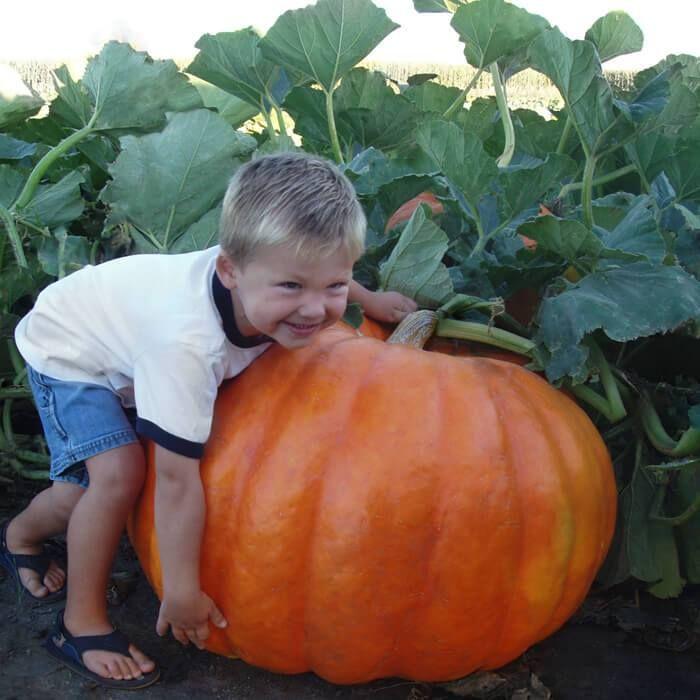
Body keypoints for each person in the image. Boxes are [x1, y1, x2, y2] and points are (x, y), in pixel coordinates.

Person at [0, 152, 417, 689]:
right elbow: (175, 483)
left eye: (334, 287)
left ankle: (26, 538)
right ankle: (68, 608)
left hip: (129, 340)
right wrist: (181, 588)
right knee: (113, 478)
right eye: (290, 288)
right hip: (71, 353)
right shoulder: (187, 346)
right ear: (230, 270)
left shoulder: (270, 268)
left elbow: (317, 271)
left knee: (119, 468)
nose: (316, 310)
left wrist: (368, 298)